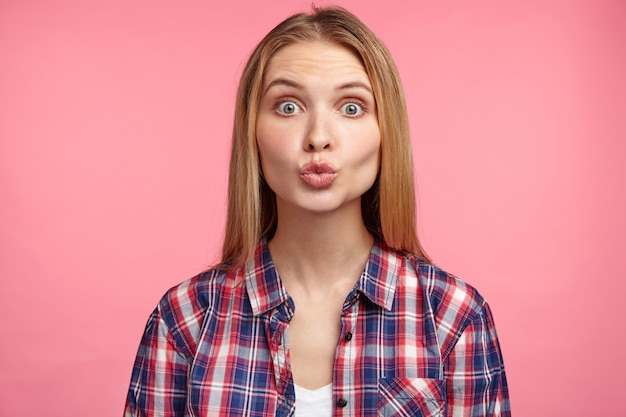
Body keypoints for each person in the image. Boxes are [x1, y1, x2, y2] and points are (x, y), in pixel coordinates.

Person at [124, 6, 511, 417]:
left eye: (351, 107)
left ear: (386, 133)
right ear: (252, 133)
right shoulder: (185, 319)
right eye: (288, 106)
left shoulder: (454, 317)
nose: (318, 138)